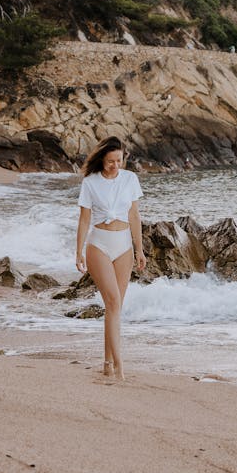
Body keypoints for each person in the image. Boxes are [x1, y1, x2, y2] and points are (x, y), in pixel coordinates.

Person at [75, 136, 146, 380]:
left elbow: (134, 216)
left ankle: (107, 362)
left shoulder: (130, 179)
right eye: (110, 161)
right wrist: (78, 251)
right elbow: (84, 219)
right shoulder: (90, 182)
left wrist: (140, 249)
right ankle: (120, 367)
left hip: (124, 246)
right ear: (101, 160)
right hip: (99, 245)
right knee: (114, 302)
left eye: (119, 160)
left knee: (114, 307)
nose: (115, 165)